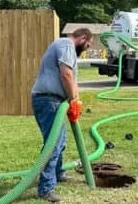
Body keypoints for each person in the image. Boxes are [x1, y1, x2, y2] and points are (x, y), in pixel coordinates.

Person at [31, 28, 93, 202]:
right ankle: (45, 188)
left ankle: (58, 174)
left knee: (60, 140)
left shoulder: (61, 45)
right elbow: (66, 74)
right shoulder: (67, 45)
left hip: (51, 101)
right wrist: (74, 99)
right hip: (49, 101)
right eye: (87, 45)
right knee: (53, 144)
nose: (86, 49)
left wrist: (72, 99)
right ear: (82, 38)